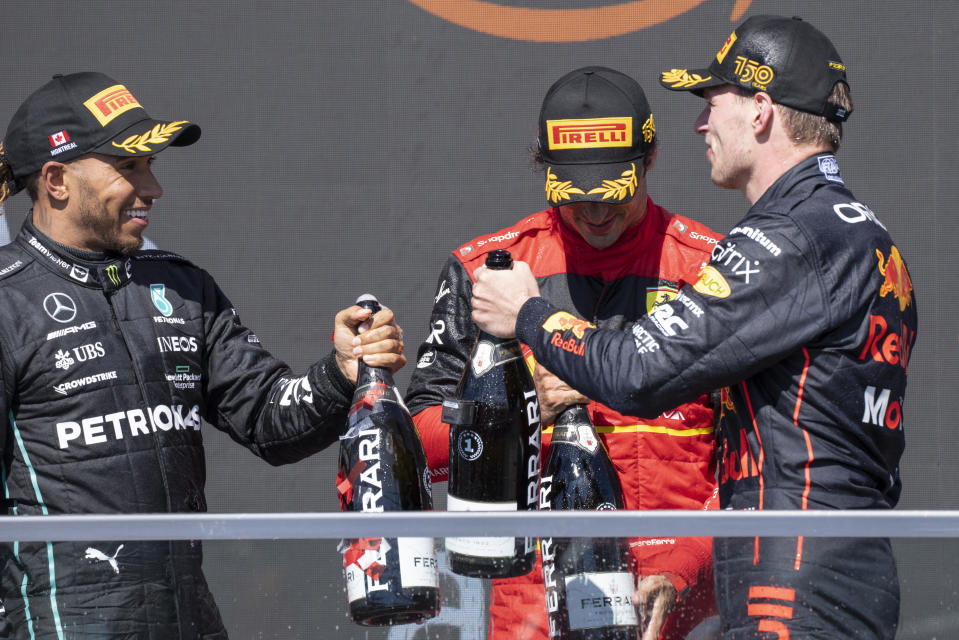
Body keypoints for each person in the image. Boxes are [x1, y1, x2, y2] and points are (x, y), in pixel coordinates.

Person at [471, 15, 914, 640]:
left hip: (793, 572)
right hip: (831, 558)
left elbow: (638, 373)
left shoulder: (787, 238)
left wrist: (530, 315)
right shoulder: (861, 232)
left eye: (713, 102)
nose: (703, 124)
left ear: (760, 111)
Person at [0, 72, 406, 638]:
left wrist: (341, 371)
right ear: (56, 179)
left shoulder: (182, 288)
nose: (154, 188)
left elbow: (271, 421)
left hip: (190, 621)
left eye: (152, 166)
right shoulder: (6, 303)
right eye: (130, 167)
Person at [405, 66, 722, 640]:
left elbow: (756, 466)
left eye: (611, 193)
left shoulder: (713, 273)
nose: (596, 212)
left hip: (677, 609)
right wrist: (517, 410)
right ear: (543, 169)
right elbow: (415, 447)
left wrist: (683, 567)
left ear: (649, 160)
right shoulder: (485, 274)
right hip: (527, 619)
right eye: (574, 195)